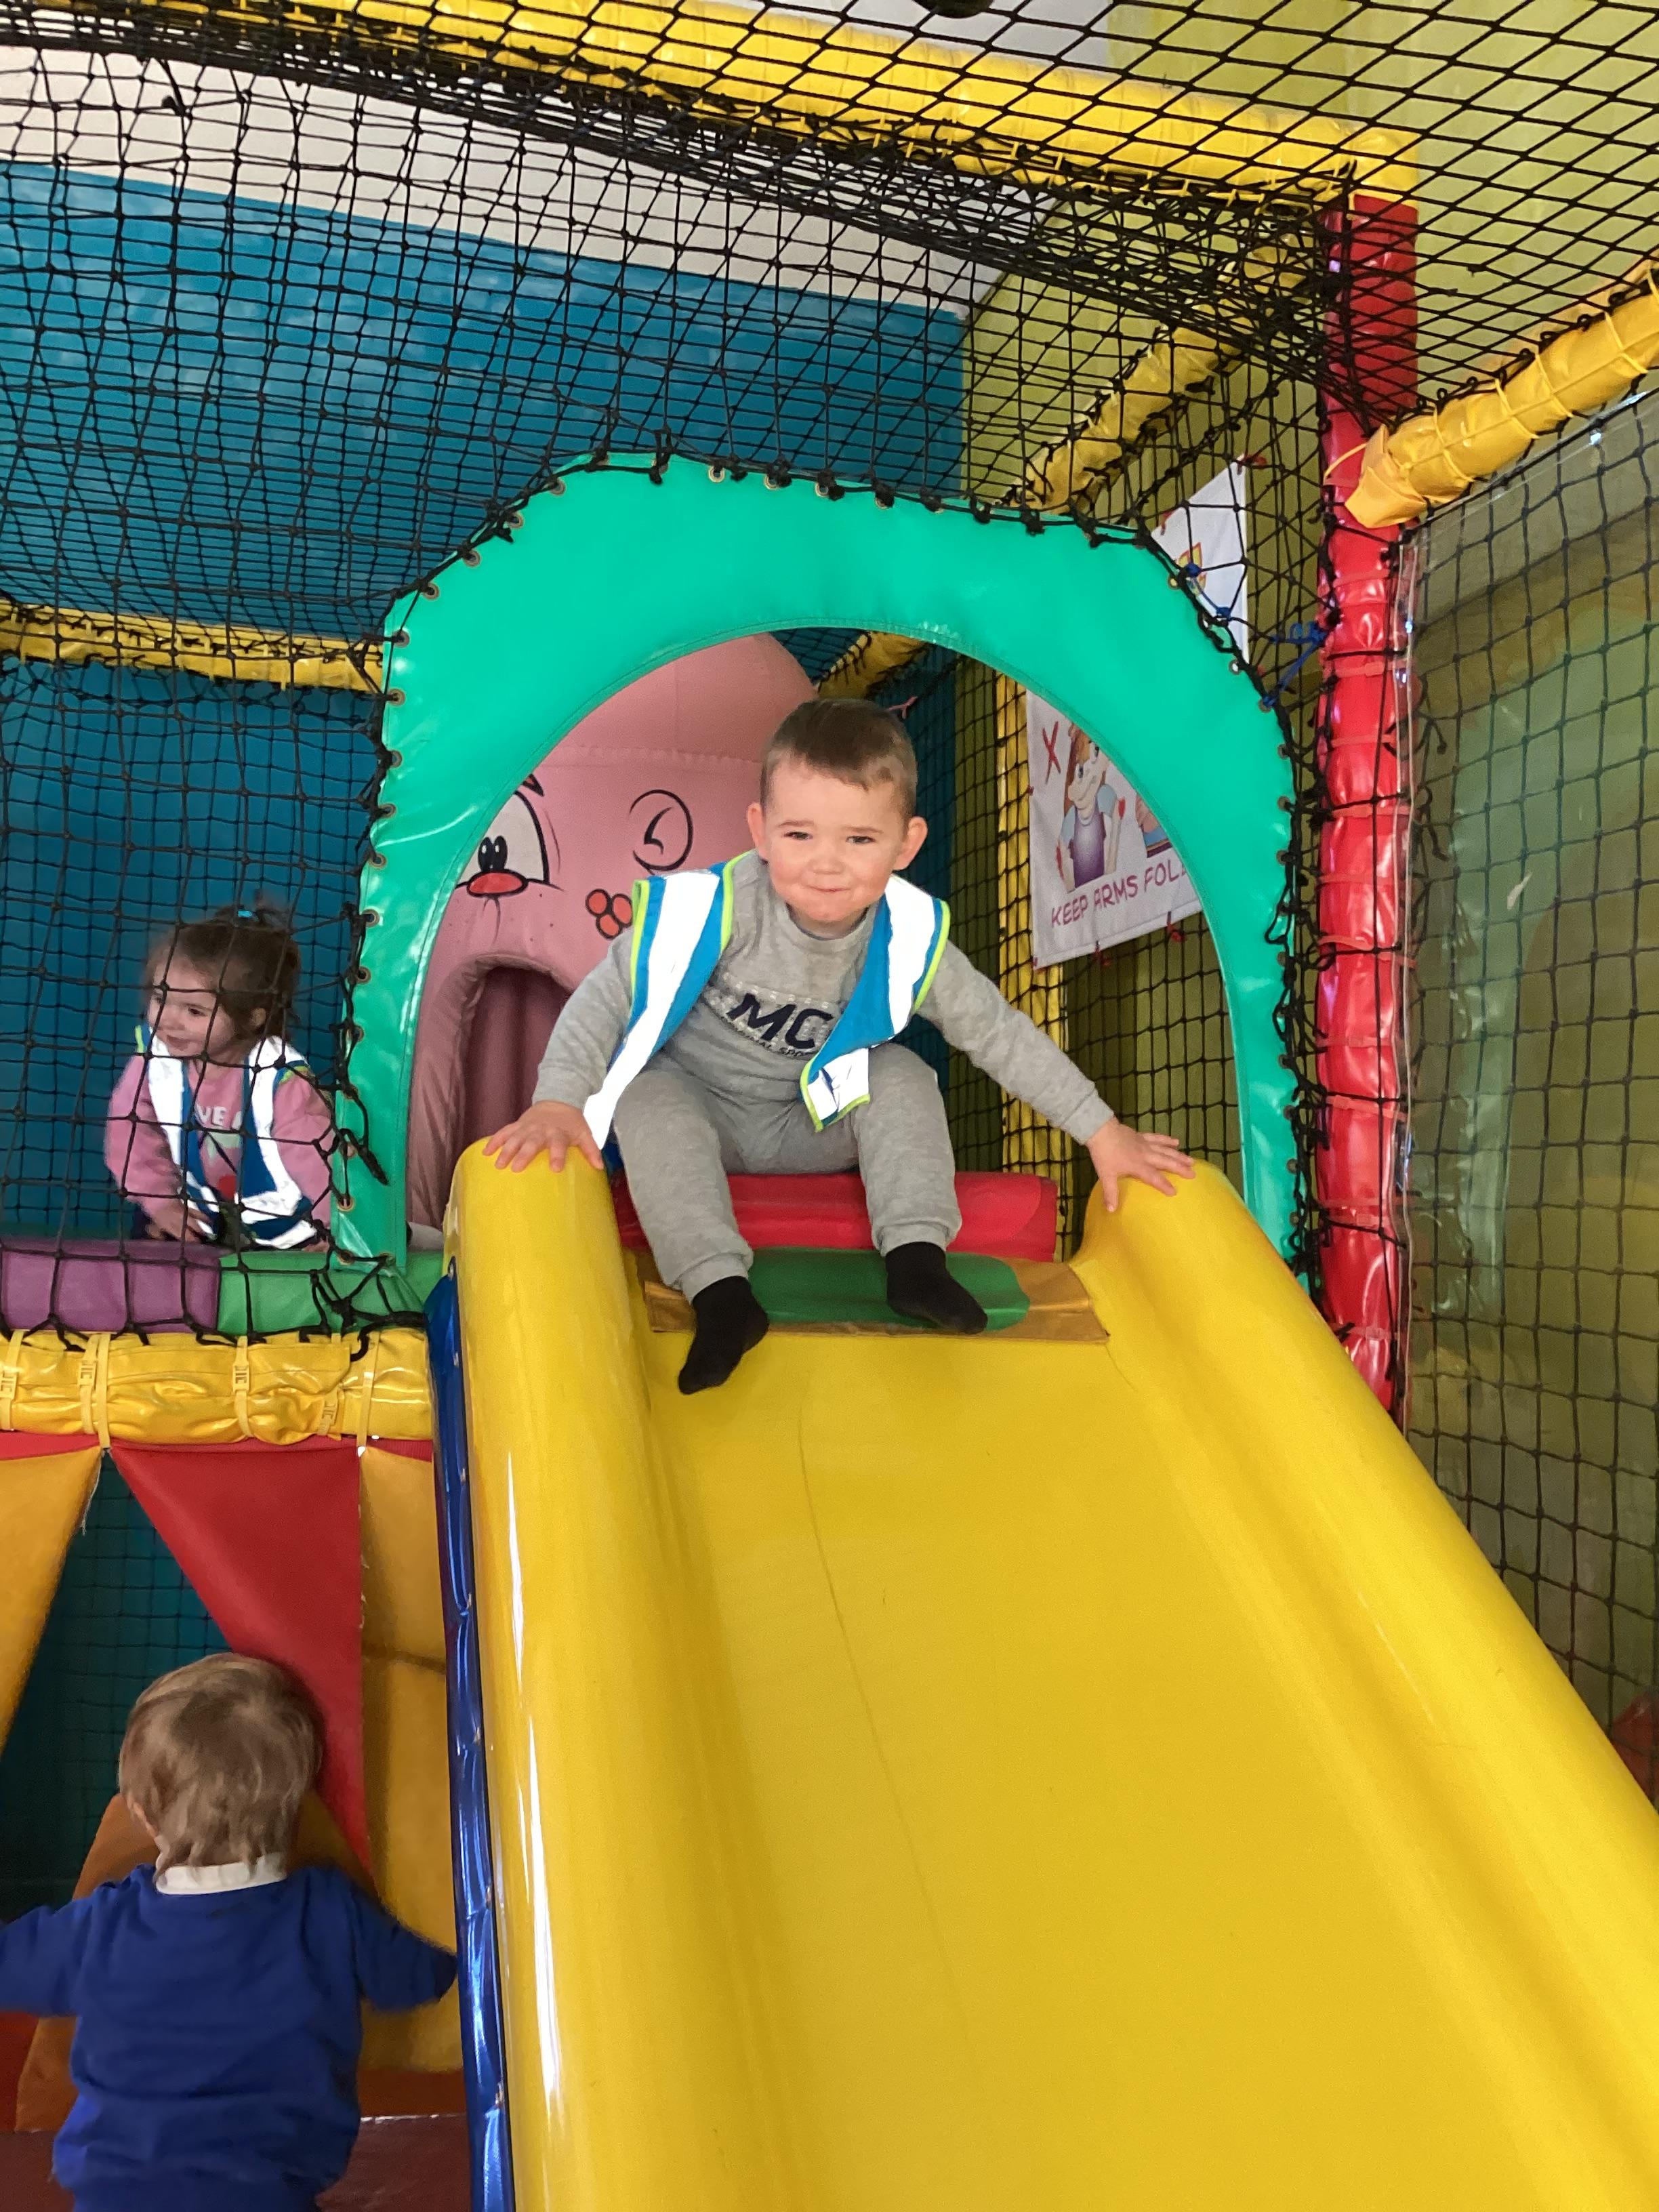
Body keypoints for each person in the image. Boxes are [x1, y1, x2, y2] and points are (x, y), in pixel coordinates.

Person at [486, 697, 1194, 1393]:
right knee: (646, 1094)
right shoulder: (713, 908)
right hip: (703, 1115)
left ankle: (916, 1262)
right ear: (761, 832)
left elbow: (999, 1032)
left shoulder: (909, 935)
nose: (827, 864)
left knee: (900, 1071)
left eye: (859, 840)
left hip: (812, 1122)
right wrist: (557, 1102)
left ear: (906, 845)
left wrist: (1101, 1130)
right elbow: (603, 999)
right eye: (800, 836)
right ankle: (720, 1294)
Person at [0, 1654, 455, 2212]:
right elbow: (422, 1973)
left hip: (119, 2197)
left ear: (143, 1815)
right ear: (301, 1805)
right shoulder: (329, 1914)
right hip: (270, 2195)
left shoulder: (104, 1929)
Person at [105, 901, 333, 1250]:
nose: (168, 1020)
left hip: (284, 1227)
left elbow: (319, 1162)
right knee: (152, 1239)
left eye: (194, 1011)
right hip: (199, 1212)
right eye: (160, 999)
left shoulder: (279, 1078)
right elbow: (131, 1129)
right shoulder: (156, 1057)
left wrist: (335, 1230)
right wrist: (159, 1201)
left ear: (252, 1018)